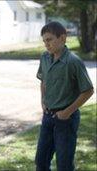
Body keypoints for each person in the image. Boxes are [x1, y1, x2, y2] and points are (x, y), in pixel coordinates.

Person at [35, 21, 94, 171]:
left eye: (49, 40)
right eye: (44, 41)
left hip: (66, 120)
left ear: (62, 38)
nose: (46, 44)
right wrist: (43, 100)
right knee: (41, 162)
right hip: (47, 117)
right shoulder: (45, 58)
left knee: (64, 165)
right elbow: (43, 81)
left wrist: (66, 113)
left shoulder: (73, 62)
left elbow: (88, 91)